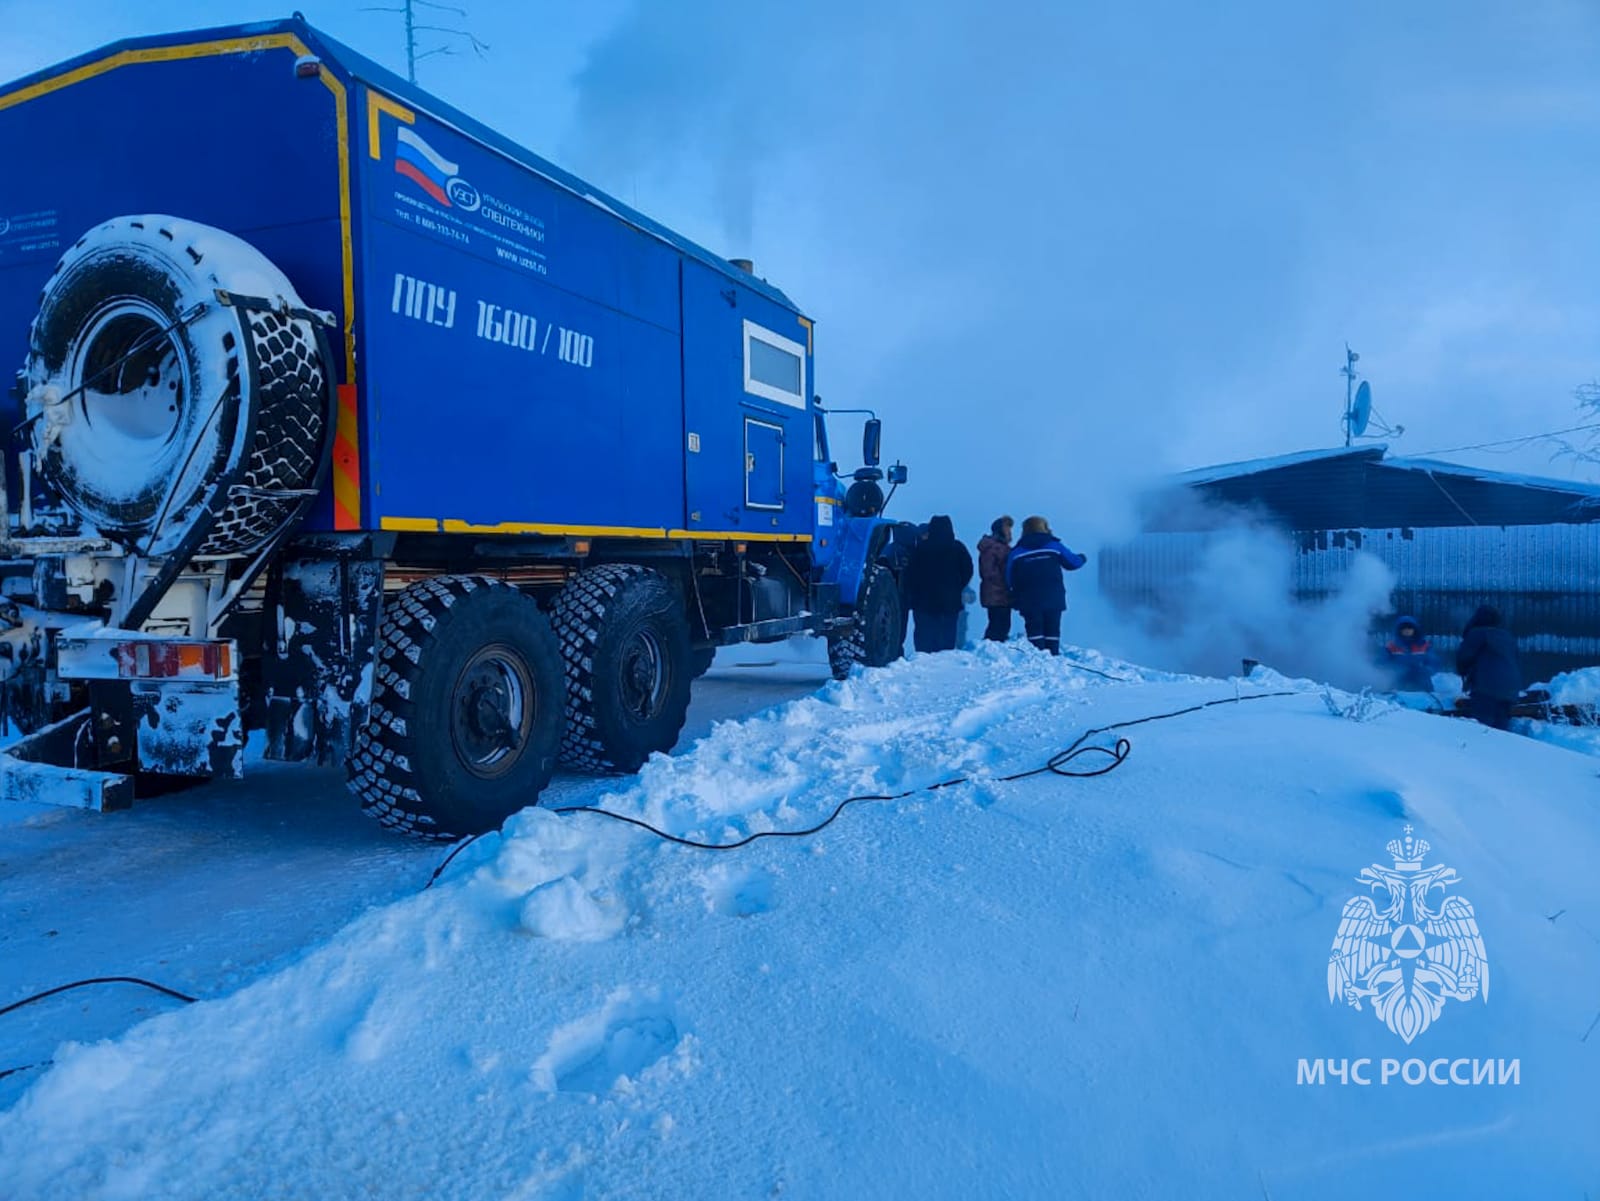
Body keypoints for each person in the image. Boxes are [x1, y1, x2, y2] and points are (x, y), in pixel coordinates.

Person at [1006, 516, 1087, 655]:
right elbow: (1073, 563)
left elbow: (1009, 577)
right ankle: (1054, 659)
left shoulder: (1016, 552)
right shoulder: (1054, 546)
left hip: (1028, 598)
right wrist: (1082, 557)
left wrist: (1015, 593)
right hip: (1053, 596)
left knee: (1034, 631)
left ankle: (1038, 659)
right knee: (1052, 630)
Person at [901, 514, 973, 653]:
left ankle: (923, 666)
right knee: (947, 640)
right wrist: (958, 586)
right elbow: (968, 570)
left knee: (925, 642)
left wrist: (914, 593)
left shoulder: (920, 549)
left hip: (923, 604)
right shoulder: (958, 548)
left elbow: (910, 575)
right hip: (950, 602)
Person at [1455, 605, 1522, 730]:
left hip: (1486, 688)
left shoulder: (1477, 633)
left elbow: (1463, 658)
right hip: (1511, 689)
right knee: (1501, 728)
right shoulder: (1507, 636)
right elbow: (1516, 659)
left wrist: (1464, 672)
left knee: (1483, 728)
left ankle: (1482, 748)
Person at [976, 516, 1015, 642]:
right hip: (997, 593)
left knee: (1001, 624)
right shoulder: (994, 548)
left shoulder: (1000, 548)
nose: (1010, 533)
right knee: (998, 626)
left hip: (999, 593)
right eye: (1007, 530)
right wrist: (1005, 581)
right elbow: (988, 572)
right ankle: (990, 650)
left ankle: (993, 649)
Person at [1379, 615, 1438, 693]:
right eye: (1404, 628)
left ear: (1415, 629)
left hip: (1422, 682)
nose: (1407, 630)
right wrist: (1393, 669)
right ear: (1399, 630)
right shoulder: (1390, 646)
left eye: (1410, 628)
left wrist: (1426, 670)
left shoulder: (1424, 645)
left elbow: (1434, 662)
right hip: (1398, 681)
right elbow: (1381, 662)